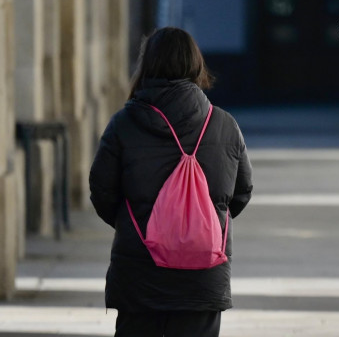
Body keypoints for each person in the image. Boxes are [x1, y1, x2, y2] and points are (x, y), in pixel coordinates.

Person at [89, 27, 253, 337]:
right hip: (202, 276)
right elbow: (241, 192)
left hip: (139, 270)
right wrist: (199, 224)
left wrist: (138, 224)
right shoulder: (224, 125)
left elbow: (101, 190)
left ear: (147, 64)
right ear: (195, 64)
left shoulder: (124, 124)